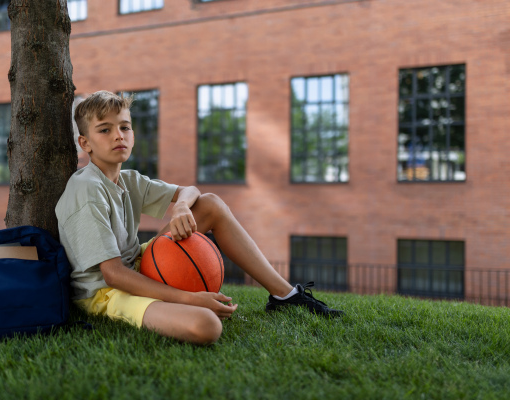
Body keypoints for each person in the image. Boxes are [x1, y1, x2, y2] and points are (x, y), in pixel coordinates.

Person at [55, 91, 343, 345]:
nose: (119, 135)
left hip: (134, 263)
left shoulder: (128, 179)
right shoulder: (87, 190)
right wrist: (191, 299)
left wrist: (180, 207)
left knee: (210, 204)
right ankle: (190, 305)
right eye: (105, 130)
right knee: (206, 325)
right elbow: (113, 274)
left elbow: (190, 191)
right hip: (105, 293)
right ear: (85, 143)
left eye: (125, 127)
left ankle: (285, 296)